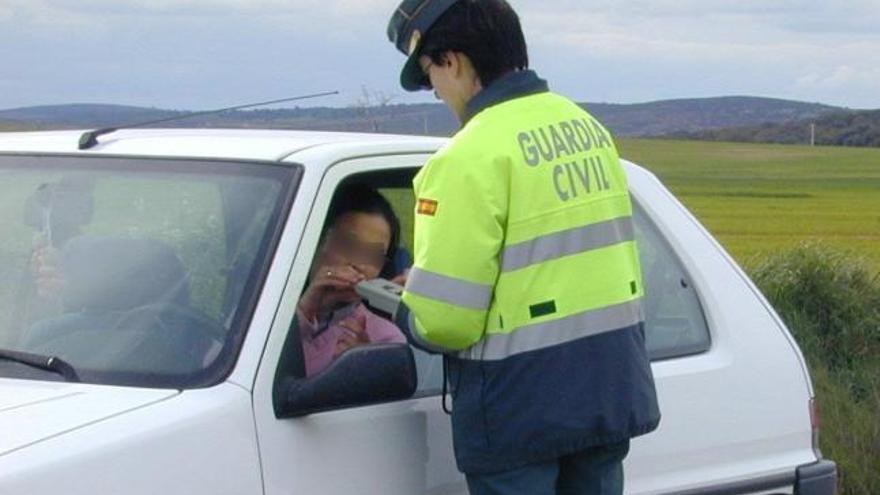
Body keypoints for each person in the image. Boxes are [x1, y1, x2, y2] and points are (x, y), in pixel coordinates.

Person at [386, 1, 661, 494]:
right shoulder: (586, 130)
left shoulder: (468, 157)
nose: (436, 92)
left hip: (518, 409)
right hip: (606, 389)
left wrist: (404, 308)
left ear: (453, 61)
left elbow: (447, 320)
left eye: (429, 75)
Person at [296, 184, 406, 376]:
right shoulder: (266, 309)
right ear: (315, 242)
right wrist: (305, 311)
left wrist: (365, 367)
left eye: (372, 255)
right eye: (347, 245)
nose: (358, 263)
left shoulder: (385, 339)